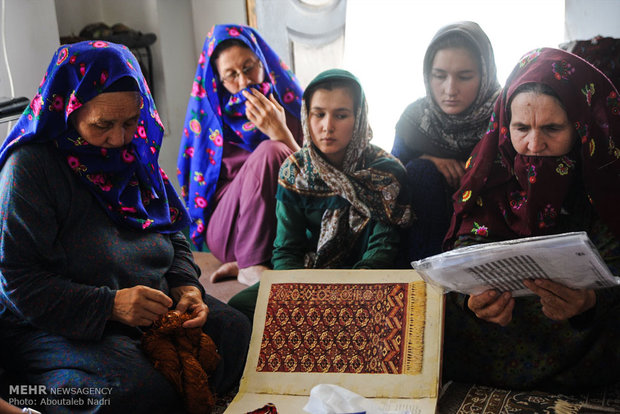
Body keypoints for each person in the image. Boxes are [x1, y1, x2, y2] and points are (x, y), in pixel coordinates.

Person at [0, 41, 251, 413]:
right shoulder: (29, 169)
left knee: (238, 336)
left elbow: (172, 233)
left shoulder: (136, 154)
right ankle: (27, 392)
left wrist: (186, 284)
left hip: (151, 303)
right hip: (55, 322)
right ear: (68, 108)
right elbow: (17, 282)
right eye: (103, 125)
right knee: (132, 390)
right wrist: (110, 305)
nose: (118, 139)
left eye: (131, 122)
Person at [442, 47, 620, 392]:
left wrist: (591, 302)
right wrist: (473, 300)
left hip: (584, 334)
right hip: (503, 327)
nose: (534, 144)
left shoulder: (607, 173)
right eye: (521, 127)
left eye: (553, 128)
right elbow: (464, 249)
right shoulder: (491, 167)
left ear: (581, 126)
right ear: (505, 125)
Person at [229, 69, 412, 321]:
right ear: (307, 115)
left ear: (358, 118)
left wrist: (349, 293)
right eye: (319, 114)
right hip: (309, 275)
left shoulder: (385, 172)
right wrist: (300, 293)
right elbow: (287, 250)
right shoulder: (295, 171)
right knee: (240, 306)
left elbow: (382, 249)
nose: (327, 126)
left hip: (367, 280)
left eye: (341, 115)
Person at [177, 24, 304, 286]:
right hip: (229, 227)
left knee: (277, 148)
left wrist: (281, 132)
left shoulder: (291, 106)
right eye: (231, 75)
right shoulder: (209, 118)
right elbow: (196, 194)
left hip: (285, 225)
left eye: (249, 68)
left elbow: (318, 180)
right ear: (217, 81)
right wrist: (275, 144)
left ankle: (256, 259)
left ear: (263, 61)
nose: (244, 82)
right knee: (271, 151)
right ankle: (250, 264)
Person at [392, 21, 500, 262]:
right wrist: (427, 159)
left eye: (464, 77)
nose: (450, 89)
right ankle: (424, 279)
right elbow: (389, 177)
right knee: (419, 172)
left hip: (487, 238)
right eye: (439, 76)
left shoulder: (505, 117)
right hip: (421, 241)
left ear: (486, 74)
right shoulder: (415, 120)